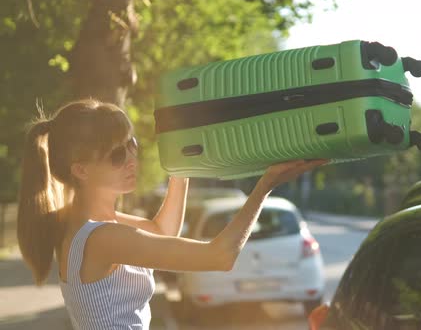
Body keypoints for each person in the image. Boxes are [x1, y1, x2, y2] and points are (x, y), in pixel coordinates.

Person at [16, 99, 328, 329]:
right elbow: (219, 257)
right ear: (81, 170)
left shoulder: (84, 223)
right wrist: (266, 186)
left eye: (132, 144)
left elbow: (162, 232)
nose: (132, 159)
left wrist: (181, 169)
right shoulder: (102, 237)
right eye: (116, 154)